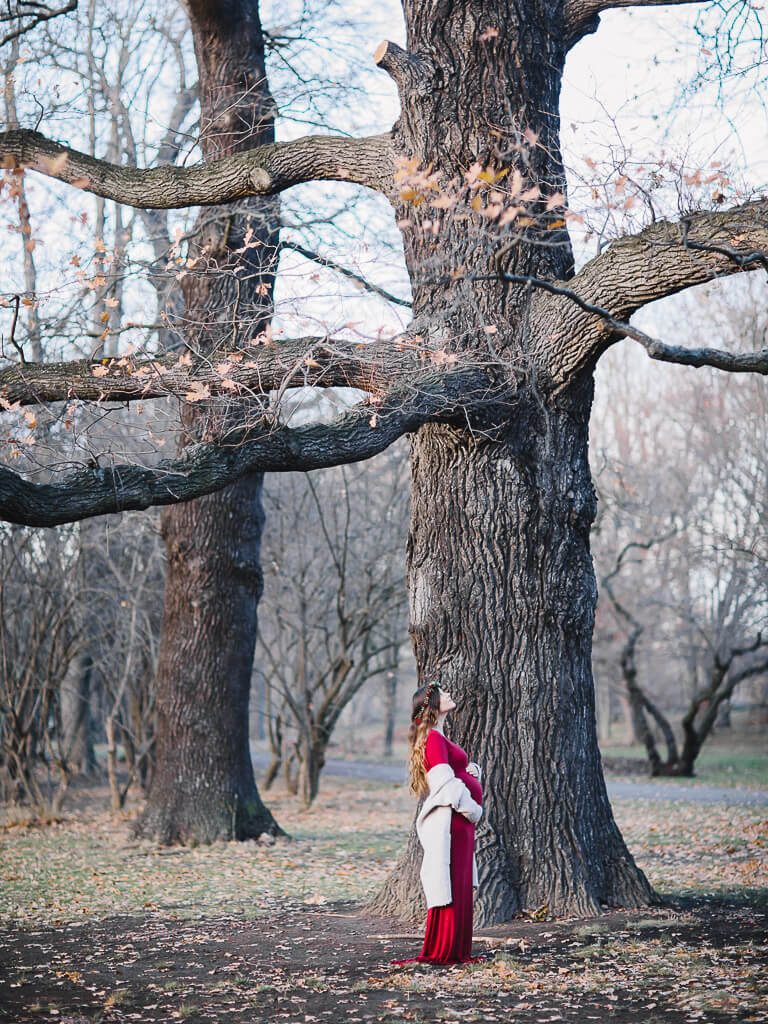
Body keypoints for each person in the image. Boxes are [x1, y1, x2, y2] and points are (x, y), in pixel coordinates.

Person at [392, 680, 484, 966]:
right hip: (455, 821)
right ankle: (446, 949)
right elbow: (445, 787)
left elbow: (454, 774)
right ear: (432, 705)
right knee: (451, 884)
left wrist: (472, 772)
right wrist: (473, 808)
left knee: (458, 884)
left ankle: (457, 949)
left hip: (459, 823)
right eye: (443, 693)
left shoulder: (439, 737)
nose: (449, 694)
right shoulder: (432, 738)